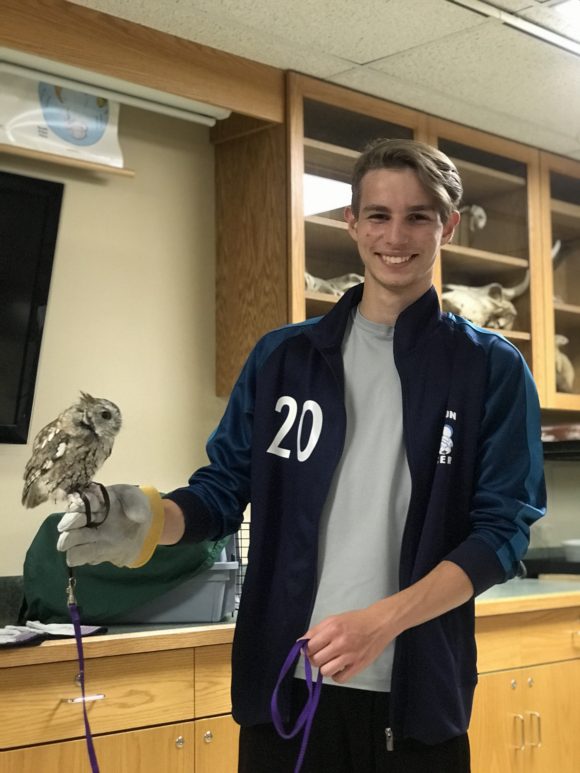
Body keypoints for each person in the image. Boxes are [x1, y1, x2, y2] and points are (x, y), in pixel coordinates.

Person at [57, 138, 546, 773]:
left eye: (418, 216)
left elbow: (501, 534)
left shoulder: (489, 368)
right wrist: (148, 518)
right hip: (284, 685)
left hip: (417, 699)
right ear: (351, 221)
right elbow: (222, 491)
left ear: (446, 226)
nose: (395, 235)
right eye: (378, 214)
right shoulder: (284, 359)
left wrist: (383, 621)